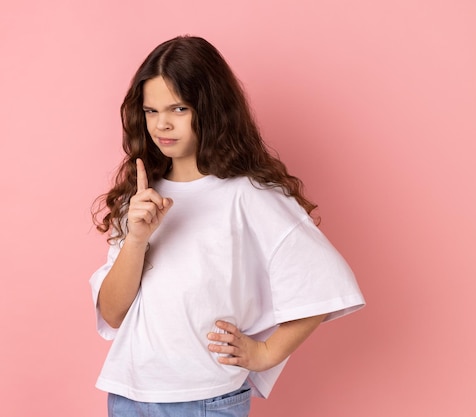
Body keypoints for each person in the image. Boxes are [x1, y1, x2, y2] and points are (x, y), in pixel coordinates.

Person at [90, 35, 365, 417]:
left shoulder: (247, 195)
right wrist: (136, 240)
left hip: (205, 399)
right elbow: (113, 313)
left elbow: (324, 279)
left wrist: (266, 352)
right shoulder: (141, 197)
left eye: (178, 108)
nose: (162, 124)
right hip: (128, 394)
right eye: (151, 111)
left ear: (210, 109)